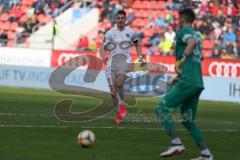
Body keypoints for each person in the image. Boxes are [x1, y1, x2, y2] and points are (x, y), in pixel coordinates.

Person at [156, 8, 213, 160]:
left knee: (161, 109)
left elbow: (191, 43)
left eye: (179, 17)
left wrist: (181, 59)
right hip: (197, 82)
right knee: (188, 121)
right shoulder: (198, 36)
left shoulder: (184, 32)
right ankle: (206, 154)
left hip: (188, 81)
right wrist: (180, 75)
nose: (178, 19)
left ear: (183, 18)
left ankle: (176, 144)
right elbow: (198, 59)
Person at [100, 10, 145, 125]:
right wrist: (104, 56)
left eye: (122, 18)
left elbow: (137, 44)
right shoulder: (110, 33)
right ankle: (118, 112)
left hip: (125, 61)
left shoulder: (131, 32)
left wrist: (140, 57)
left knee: (119, 83)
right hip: (112, 63)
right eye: (118, 18)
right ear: (115, 19)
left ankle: (122, 104)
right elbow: (102, 46)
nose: (120, 20)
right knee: (113, 92)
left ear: (125, 19)